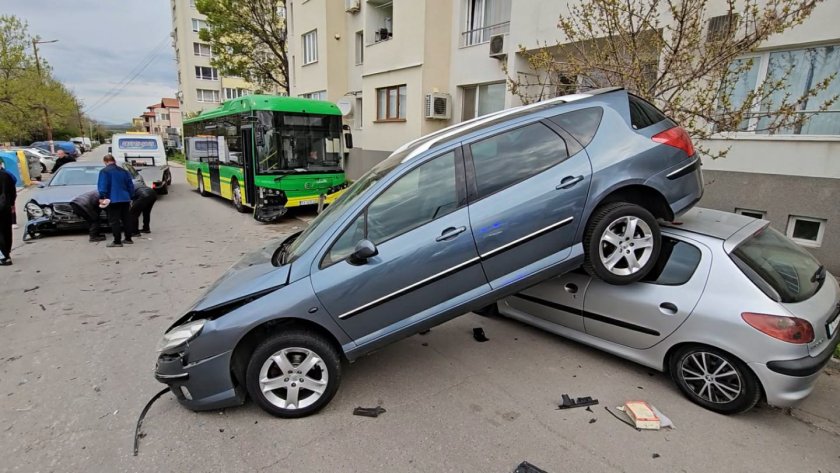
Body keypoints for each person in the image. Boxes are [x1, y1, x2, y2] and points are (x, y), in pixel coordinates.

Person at [97, 154, 135, 247]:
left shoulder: (104, 171)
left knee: (114, 221)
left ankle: (117, 241)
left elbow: (103, 185)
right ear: (114, 161)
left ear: (105, 162)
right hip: (125, 198)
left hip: (113, 199)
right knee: (126, 219)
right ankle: (128, 238)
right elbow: (130, 185)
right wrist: (131, 196)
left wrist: (102, 197)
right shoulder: (124, 171)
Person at [0, 160, 17, 265]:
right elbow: (13, 191)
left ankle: (4, 256)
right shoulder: (7, 175)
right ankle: (7, 252)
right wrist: (11, 204)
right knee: (6, 229)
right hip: (5, 207)